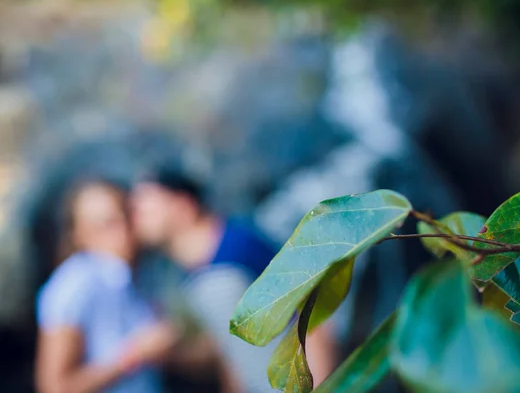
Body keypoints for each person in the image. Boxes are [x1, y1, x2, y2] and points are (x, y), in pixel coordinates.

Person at [131, 165, 336, 391]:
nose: (136, 218)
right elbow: (231, 351)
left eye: (144, 207)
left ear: (183, 206)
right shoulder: (188, 276)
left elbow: (312, 312)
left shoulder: (241, 245)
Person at [36, 179, 178, 393]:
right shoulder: (73, 286)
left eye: (126, 216)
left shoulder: (137, 275)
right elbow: (55, 387)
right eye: (106, 224)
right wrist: (133, 355)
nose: (122, 231)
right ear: (78, 234)